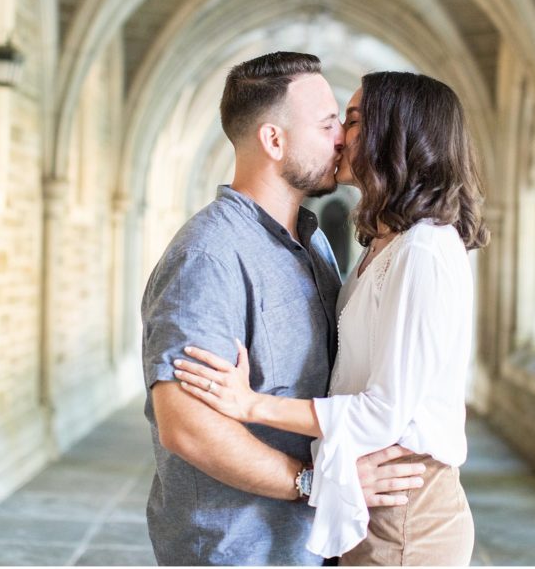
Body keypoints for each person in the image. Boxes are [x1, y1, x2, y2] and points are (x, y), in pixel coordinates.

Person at [175, 71, 489, 565]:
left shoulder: (424, 249)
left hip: (404, 509)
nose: (341, 134)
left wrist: (251, 405)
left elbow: (384, 411)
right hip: (365, 495)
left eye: (354, 120)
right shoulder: (379, 245)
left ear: (395, 136)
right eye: (333, 122)